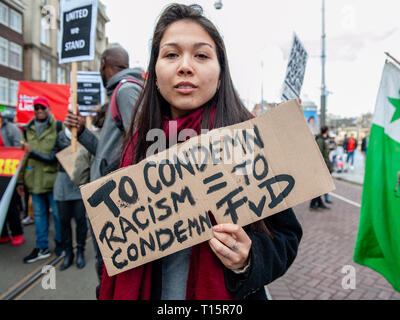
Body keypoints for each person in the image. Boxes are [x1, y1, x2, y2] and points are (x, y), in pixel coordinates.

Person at [98, 4, 302, 300]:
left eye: (202, 55)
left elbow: (286, 237)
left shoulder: (251, 142)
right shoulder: (133, 148)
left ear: (221, 73)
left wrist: (248, 259)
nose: (185, 66)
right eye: (170, 54)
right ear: (153, 72)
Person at [64, 47, 145, 290]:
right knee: (106, 269)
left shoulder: (126, 90)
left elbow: (142, 141)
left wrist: (109, 175)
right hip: (108, 195)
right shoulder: (122, 92)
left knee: (108, 270)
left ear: (103, 64)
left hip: (111, 199)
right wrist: (83, 132)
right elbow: (108, 150)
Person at [17, 97, 63, 263]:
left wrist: (31, 152)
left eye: (42, 107)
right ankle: (42, 246)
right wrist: (20, 181)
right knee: (39, 215)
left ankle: (61, 243)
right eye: (36, 108)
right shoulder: (27, 129)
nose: (39, 110)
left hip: (53, 179)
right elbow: (23, 157)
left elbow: (57, 156)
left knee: (57, 215)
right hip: (34, 181)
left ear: (48, 109)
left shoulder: (57, 126)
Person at [0, 112, 24, 246]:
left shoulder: (11, 129)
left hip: (9, 173)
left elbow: (19, 150)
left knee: (11, 206)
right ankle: (3, 234)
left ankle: (17, 232)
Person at [310, 126, 331, 211]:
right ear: (326, 131)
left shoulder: (322, 140)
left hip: (323, 166)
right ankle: (313, 204)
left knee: (322, 186)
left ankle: (319, 203)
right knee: (320, 186)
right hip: (321, 167)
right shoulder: (320, 140)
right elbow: (319, 154)